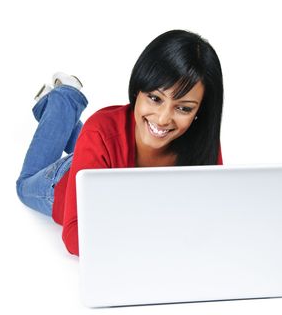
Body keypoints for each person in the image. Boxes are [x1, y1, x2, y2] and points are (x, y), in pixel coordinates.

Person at [16, 29, 224, 256]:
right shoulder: (101, 130)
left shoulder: (202, 140)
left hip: (100, 152)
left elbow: (209, 215)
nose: (164, 119)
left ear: (200, 112)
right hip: (62, 184)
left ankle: (73, 124)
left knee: (98, 141)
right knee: (23, 186)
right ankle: (64, 99)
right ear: (137, 91)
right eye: (155, 98)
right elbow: (74, 235)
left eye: (184, 108)